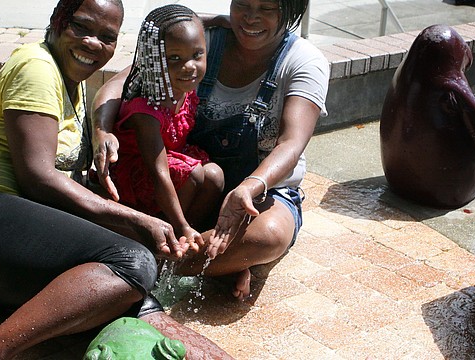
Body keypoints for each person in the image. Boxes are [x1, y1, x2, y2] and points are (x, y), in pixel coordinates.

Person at [0, 0, 233, 359]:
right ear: (58, 21)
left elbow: (160, 46)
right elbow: (38, 178)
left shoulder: (71, 77)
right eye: (82, 28)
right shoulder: (36, 67)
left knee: (127, 290)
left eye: (107, 37)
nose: (92, 43)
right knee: (135, 261)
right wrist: (136, 218)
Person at [92, 0, 330, 301]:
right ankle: (211, 261)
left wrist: (250, 186)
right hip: (196, 179)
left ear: (292, 8)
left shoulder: (303, 62)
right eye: (242, 3)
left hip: (262, 190)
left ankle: (146, 264)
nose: (251, 17)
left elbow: (291, 143)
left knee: (267, 237)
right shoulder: (203, 39)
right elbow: (123, 81)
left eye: (267, 9)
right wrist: (102, 130)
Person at [109, 4, 224, 250]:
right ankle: (165, 237)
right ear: (153, 59)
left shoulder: (182, 86)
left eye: (197, 55)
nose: (189, 66)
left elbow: (185, 25)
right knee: (192, 174)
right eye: (174, 58)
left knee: (215, 176)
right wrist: (180, 224)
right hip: (136, 172)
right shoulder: (146, 109)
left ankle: (188, 237)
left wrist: (218, 19)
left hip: (173, 161)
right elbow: (158, 172)